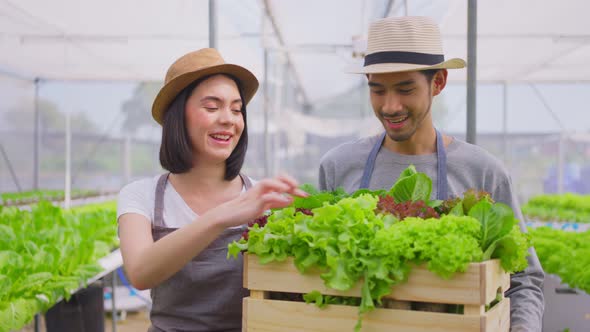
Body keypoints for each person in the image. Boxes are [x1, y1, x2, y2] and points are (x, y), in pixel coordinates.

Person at [319, 16, 544, 332]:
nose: (390, 105)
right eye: (378, 90)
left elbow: (524, 279)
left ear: (438, 82)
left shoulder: (483, 171)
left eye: (405, 89)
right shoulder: (338, 166)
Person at [117, 48, 307, 332]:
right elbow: (141, 272)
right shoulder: (141, 195)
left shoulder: (261, 196)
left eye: (236, 108)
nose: (229, 119)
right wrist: (221, 217)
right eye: (212, 106)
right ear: (177, 116)